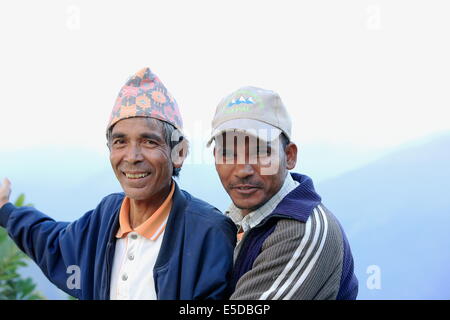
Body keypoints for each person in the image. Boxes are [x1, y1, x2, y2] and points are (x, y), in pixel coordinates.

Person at [0, 67, 236, 300]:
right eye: (120, 142)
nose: (132, 157)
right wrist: (5, 210)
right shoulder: (105, 219)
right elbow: (51, 242)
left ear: (179, 152)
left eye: (149, 142)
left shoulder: (208, 232)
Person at [207, 86, 358, 300]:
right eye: (229, 153)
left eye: (261, 152)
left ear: (289, 156)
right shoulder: (240, 219)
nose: (242, 170)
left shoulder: (302, 230)